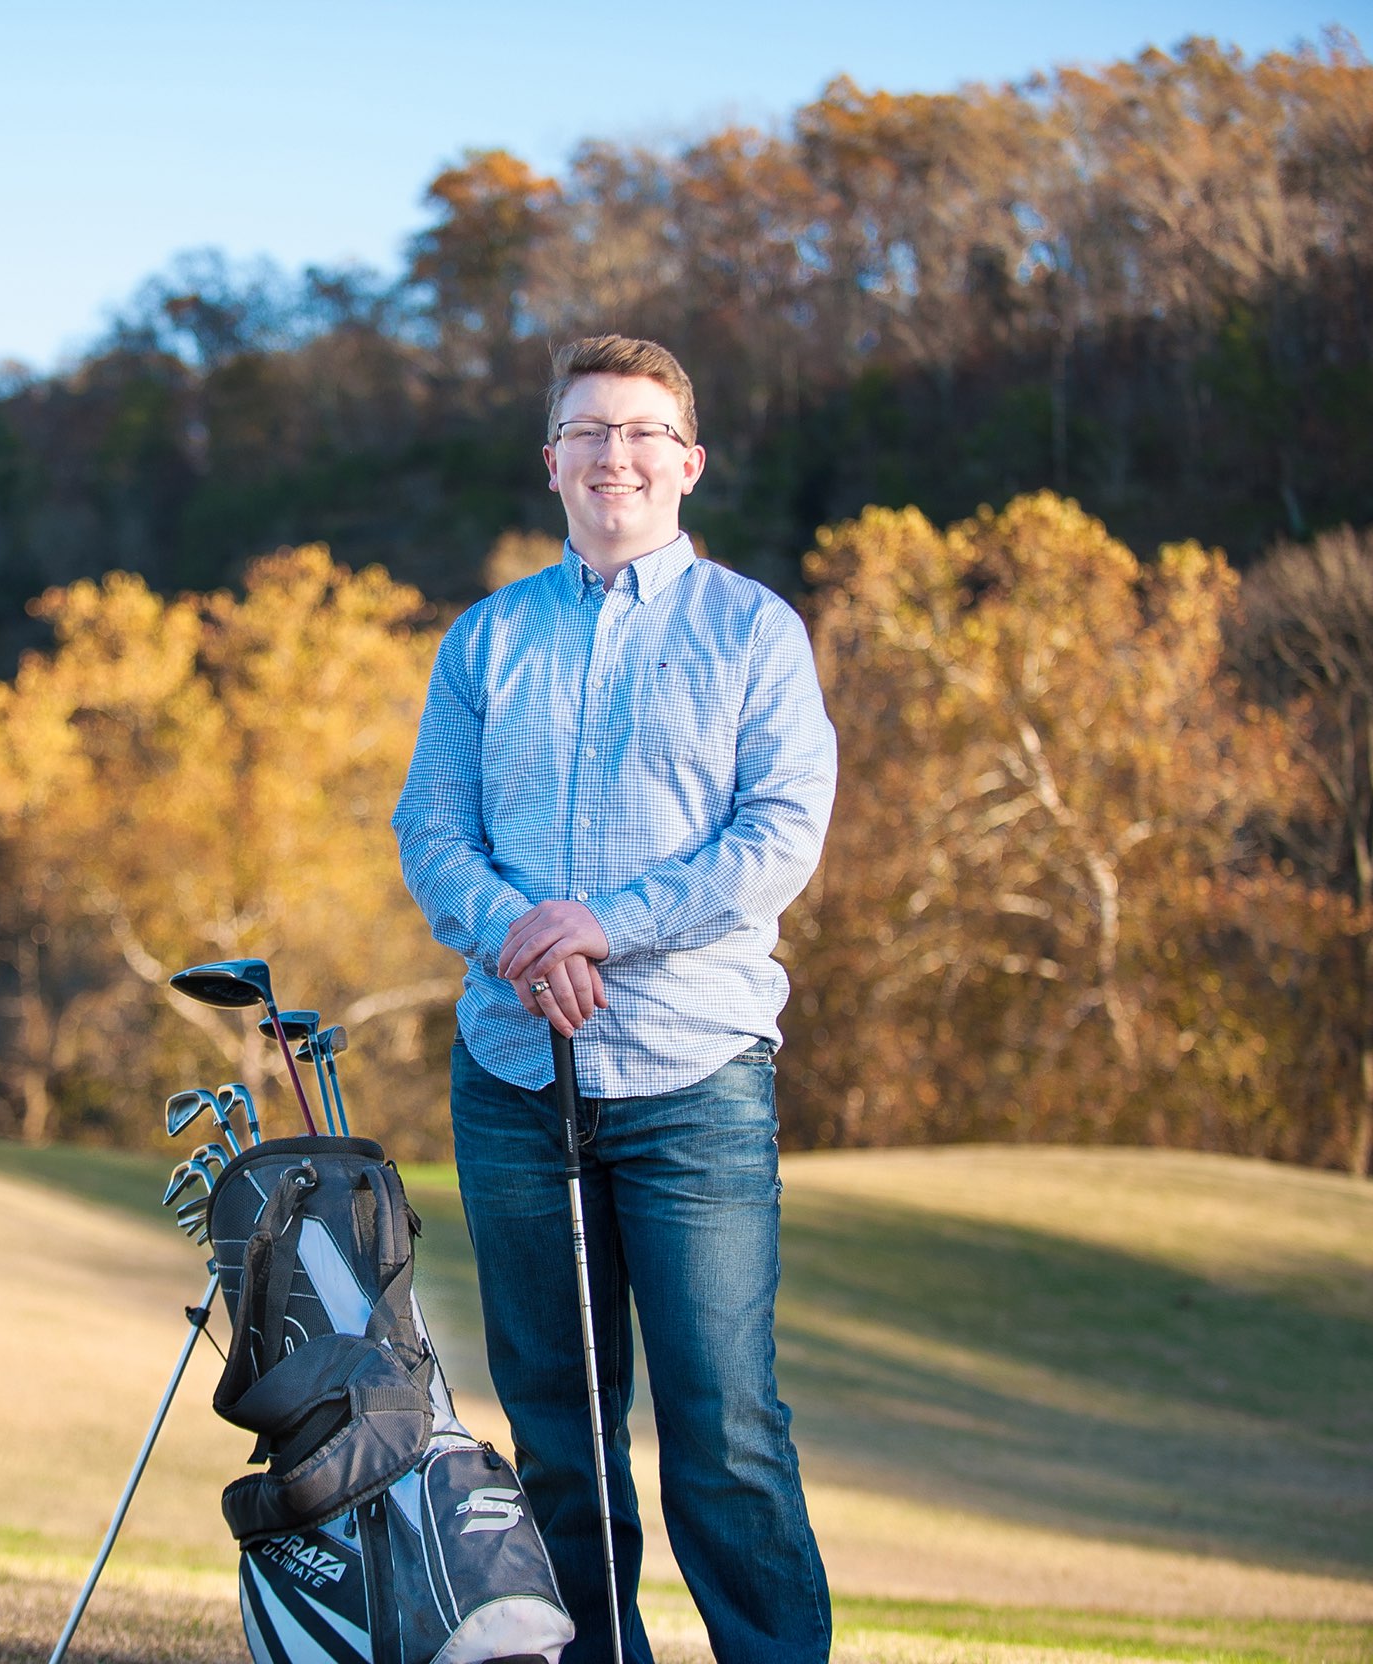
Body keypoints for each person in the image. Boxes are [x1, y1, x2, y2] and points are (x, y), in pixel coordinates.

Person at [391, 335, 837, 1664]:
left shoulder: (752, 632)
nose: (614, 454)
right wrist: (521, 931)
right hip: (517, 1084)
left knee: (728, 1431)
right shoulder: (488, 641)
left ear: (688, 463)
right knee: (560, 1429)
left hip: (692, 1079)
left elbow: (778, 836)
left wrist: (605, 924)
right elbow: (433, 835)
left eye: (642, 432)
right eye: (587, 431)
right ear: (552, 464)